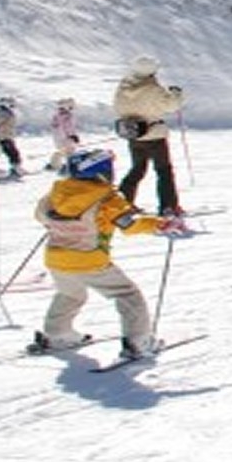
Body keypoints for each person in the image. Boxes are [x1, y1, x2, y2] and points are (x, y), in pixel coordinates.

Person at [31, 147, 177, 359]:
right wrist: (159, 224)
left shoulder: (56, 193)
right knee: (127, 295)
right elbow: (130, 225)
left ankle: (56, 334)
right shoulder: (107, 198)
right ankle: (139, 341)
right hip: (90, 259)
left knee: (69, 293)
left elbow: (41, 216)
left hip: (56, 257)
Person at [114, 55, 186, 217]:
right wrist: (176, 94)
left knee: (137, 169)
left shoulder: (124, 86)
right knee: (163, 171)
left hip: (134, 133)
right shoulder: (153, 88)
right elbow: (171, 106)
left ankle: (122, 204)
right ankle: (168, 207)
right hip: (154, 135)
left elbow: (117, 107)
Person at [0, 96, 24, 177]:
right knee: (12, 152)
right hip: (3, 136)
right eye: (11, 104)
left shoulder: (3, 113)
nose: (12, 106)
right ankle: (16, 167)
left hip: (2, 135)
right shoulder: (2, 113)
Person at [46, 97, 81, 173]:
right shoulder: (67, 116)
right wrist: (72, 136)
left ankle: (54, 164)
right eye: (71, 107)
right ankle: (69, 167)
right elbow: (68, 127)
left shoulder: (57, 115)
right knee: (69, 152)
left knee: (62, 151)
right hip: (65, 138)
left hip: (59, 138)